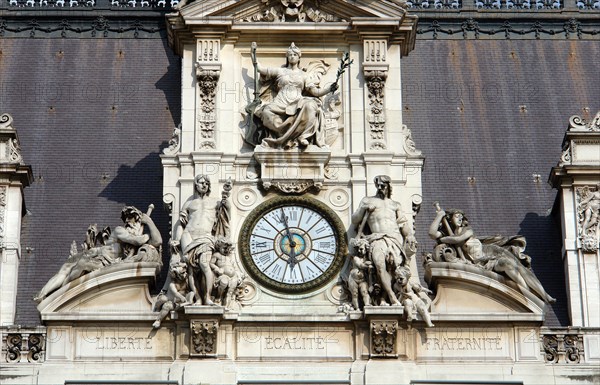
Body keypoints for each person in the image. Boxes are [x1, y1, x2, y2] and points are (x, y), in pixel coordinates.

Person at [34, 206, 162, 302]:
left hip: (100, 260)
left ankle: (56, 294)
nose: (128, 221)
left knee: (76, 268)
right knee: (66, 270)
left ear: (138, 221)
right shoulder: (120, 230)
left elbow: (157, 241)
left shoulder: (132, 240)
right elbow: (136, 240)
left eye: (132, 218)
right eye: (126, 219)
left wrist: (149, 222)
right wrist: (144, 234)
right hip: (97, 256)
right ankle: (45, 295)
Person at [428, 208, 556, 303]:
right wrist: (439, 216)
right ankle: (529, 295)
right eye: (457, 216)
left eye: (461, 216)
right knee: (509, 266)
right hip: (480, 262)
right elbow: (432, 233)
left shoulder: (467, 230)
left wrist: (444, 239)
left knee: (518, 269)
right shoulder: (449, 234)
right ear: (450, 218)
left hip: (491, 253)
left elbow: (458, 240)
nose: (460, 218)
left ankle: (539, 295)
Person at [251, 42, 337, 149]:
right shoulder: (280, 71)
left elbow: (315, 92)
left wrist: (329, 89)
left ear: (299, 57)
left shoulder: (304, 75)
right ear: (287, 57)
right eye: (290, 55)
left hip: (297, 102)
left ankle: (303, 136)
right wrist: (253, 53)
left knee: (311, 106)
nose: (292, 57)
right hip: (280, 102)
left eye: (295, 55)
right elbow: (260, 68)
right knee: (266, 112)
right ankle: (283, 136)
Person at [351, 175, 418, 306]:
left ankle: (384, 298)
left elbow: (403, 224)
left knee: (394, 268)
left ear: (388, 186)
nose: (380, 188)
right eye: (378, 185)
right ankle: (392, 298)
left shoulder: (395, 205)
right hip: (377, 238)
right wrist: (363, 209)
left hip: (394, 239)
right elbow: (355, 220)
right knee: (380, 266)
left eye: (383, 185)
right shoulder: (368, 201)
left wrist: (410, 235)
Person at [172, 175, 230, 306]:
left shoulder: (215, 202)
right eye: (201, 183)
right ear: (196, 185)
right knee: (191, 268)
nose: (204, 185)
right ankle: (198, 298)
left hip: (206, 236)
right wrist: (176, 239)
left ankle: (207, 297)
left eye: (206, 183)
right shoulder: (188, 204)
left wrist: (226, 200)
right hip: (188, 235)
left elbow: (226, 214)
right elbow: (181, 224)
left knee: (205, 265)